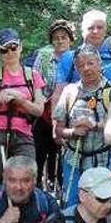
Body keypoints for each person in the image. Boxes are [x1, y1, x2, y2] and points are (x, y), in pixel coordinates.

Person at [0, 29, 47, 189]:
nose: (10, 52)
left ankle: (22, 213)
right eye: (4, 49)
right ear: (0, 52)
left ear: (20, 47)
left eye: (13, 47)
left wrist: (21, 101)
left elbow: (39, 110)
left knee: (25, 182)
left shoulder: (33, 76)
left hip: (23, 135)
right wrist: (1, 96)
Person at [53, 46, 111, 207]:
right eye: (81, 65)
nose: (86, 68)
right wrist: (73, 132)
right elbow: (58, 131)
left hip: (104, 160)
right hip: (74, 161)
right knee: (72, 205)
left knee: (103, 205)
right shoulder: (70, 92)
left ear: (99, 63)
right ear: (76, 67)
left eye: (90, 63)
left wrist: (94, 125)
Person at [30, 19, 73, 190]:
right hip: (44, 111)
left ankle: (60, 189)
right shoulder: (44, 57)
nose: (60, 41)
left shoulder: (75, 57)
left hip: (68, 113)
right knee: (40, 152)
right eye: (56, 38)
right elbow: (35, 81)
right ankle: (38, 189)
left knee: (61, 155)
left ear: (70, 39)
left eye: (64, 37)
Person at [57, 10, 111, 85]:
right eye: (90, 28)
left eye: (100, 27)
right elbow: (60, 89)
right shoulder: (69, 57)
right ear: (82, 31)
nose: (95, 31)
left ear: (105, 31)